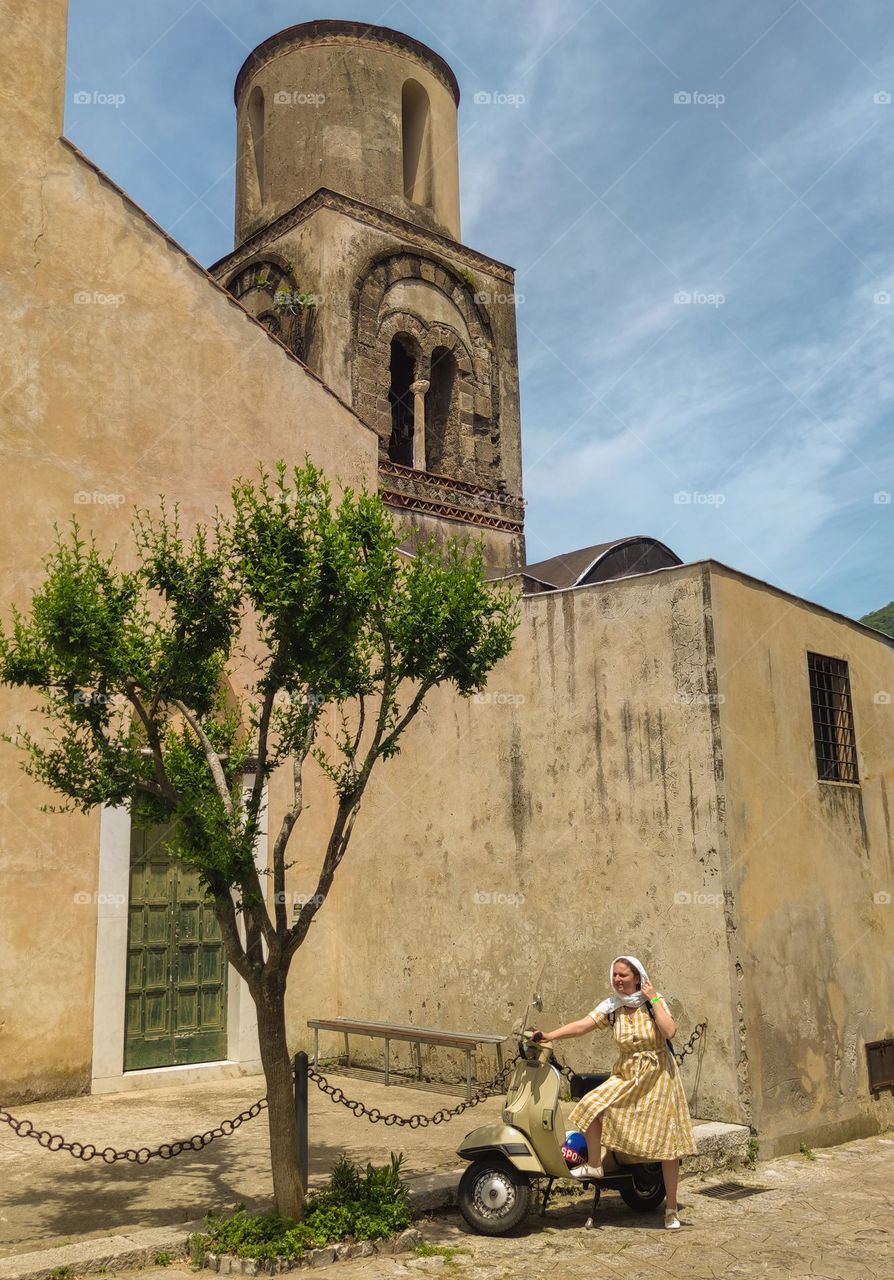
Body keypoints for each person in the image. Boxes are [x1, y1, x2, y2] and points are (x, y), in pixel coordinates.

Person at [532, 955, 697, 1230]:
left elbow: (669, 1031)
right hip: (627, 1073)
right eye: (615, 975)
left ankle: (670, 1209)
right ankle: (596, 1164)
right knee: (589, 1105)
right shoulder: (612, 1007)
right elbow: (582, 1025)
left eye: (624, 975)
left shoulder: (651, 1002)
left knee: (668, 1144)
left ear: (637, 977)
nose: (618, 980)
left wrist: (654, 998)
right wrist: (550, 1035)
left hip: (657, 1075)